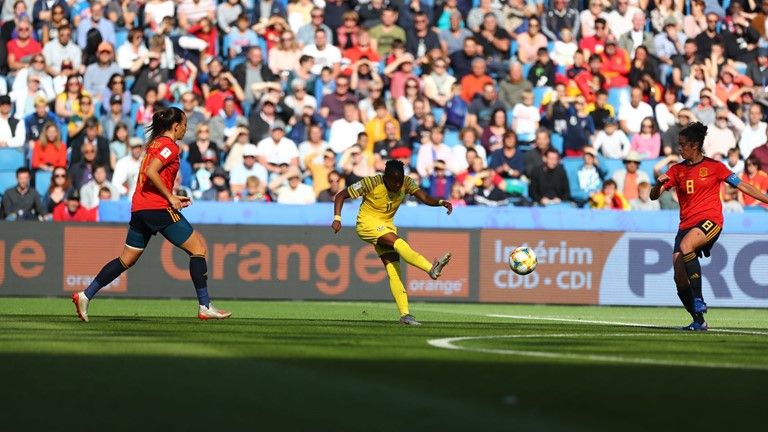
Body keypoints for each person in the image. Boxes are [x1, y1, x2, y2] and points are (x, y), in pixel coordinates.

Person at [71, 108, 232, 322]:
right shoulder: (169, 146)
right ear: (176, 126)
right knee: (198, 249)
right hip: (156, 208)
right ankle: (205, 306)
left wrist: (171, 194)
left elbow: (153, 176)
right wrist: (170, 197)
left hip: (140, 207)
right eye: (184, 125)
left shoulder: (154, 144)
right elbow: (151, 171)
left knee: (126, 259)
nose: (186, 129)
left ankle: (85, 295)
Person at [650, 122, 768, 331]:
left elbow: (742, 185)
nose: (679, 148)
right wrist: (658, 184)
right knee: (679, 277)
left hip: (710, 220)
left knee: (686, 246)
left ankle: (699, 299)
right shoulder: (676, 170)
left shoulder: (715, 167)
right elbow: (653, 196)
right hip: (686, 225)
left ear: (695, 145)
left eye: (683, 144)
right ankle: (698, 320)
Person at [331, 160, 453, 325]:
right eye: (394, 181)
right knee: (399, 243)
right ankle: (430, 269)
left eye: (399, 181)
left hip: (387, 225)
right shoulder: (371, 182)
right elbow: (341, 195)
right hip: (367, 225)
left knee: (394, 270)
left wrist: (440, 202)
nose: (397, 185)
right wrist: (337, 218)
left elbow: (424, 197)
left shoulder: (406, 182)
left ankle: (405, 315)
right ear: (385, 177)